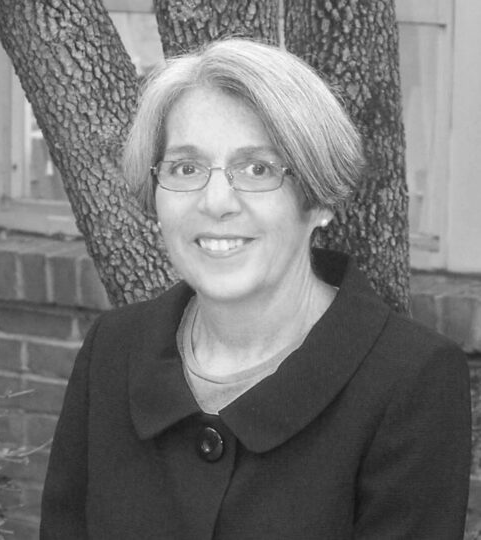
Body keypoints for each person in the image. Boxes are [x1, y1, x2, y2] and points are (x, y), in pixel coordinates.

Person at [40, 39, 471, 539]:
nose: (216, 201)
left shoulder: (411, 380)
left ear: (320, 200)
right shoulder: (113, 349)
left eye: (257, 169)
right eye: (186, 168)